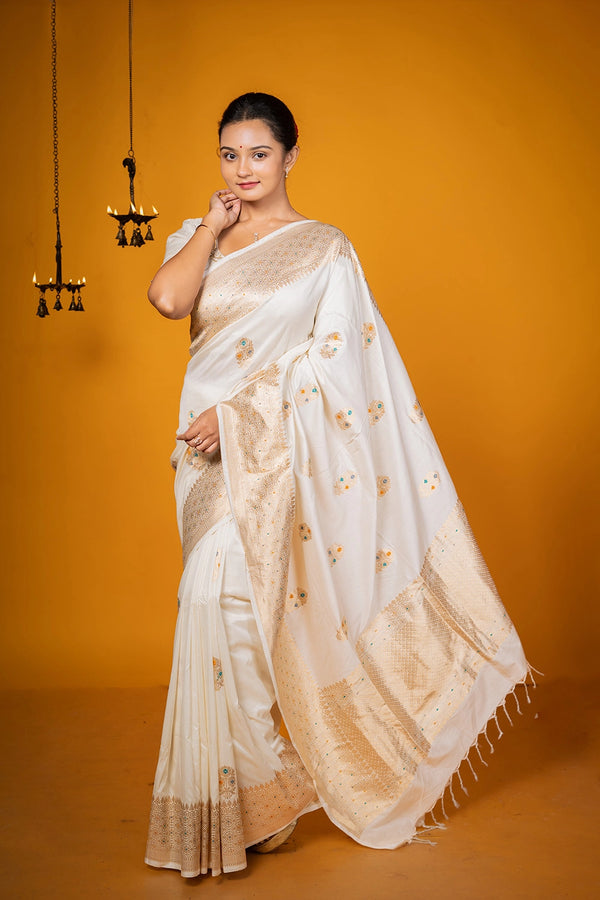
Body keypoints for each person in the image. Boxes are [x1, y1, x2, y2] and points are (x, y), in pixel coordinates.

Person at [144, 92, 530, 879]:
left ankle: (260, 791)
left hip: (271, 449)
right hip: (203, 457)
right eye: (229, 155)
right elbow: (167, 300)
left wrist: (240, 413)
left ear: (290, 156)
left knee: (232, 603)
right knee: (207, 605)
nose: (243, 169)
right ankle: (260, 791)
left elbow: (338, 364)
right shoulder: (201, 238)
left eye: (258, 154)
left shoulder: (325, 250)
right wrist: (211, 229)